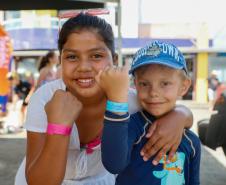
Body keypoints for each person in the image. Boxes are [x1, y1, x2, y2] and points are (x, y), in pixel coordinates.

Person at [14, 14, 193, 185]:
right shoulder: (45, 99)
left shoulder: (130, 102)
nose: (84, 67)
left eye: (96, 56)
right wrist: (59, 126)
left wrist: (180, 115)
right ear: (60, 61)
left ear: (113, 60)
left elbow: (169, 108)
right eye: (72, 57)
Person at [100, 41, 201, 185]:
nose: (153, 93)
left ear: (184, 86)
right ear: (135, 84)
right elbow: (113, 164)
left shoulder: (192, 142)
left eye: (165, 83)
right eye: (144, 84)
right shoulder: (131, 126)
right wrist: (115, 103)